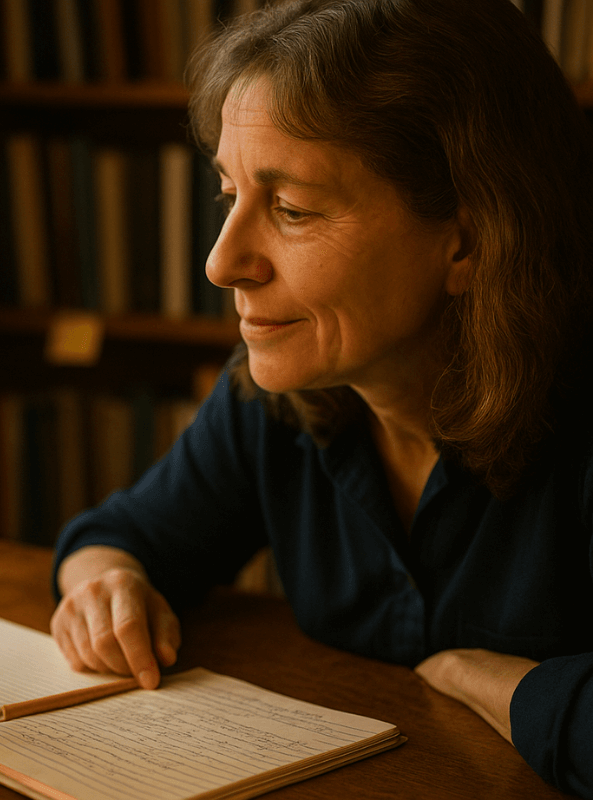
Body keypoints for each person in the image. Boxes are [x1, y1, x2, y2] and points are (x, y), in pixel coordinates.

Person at [48, 0, 593, 796]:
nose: (221, 263)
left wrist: (502, 685)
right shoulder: (281, 388)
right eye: (226, 195)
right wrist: (104, 586)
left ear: (469, 241)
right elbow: (125, 534)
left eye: (292, 209)